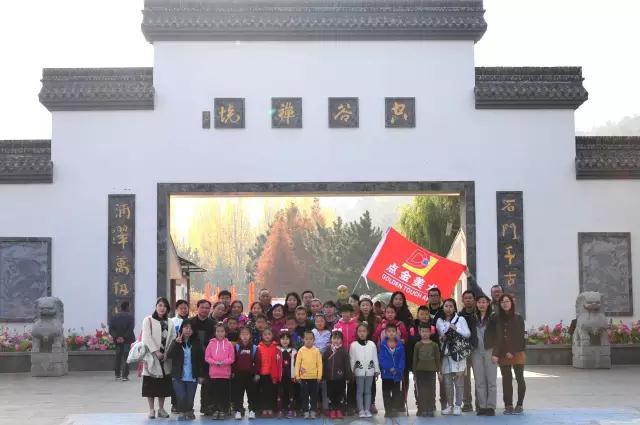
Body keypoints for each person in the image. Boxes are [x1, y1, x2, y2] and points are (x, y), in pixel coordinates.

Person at [141, 297, 176, 419]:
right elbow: (146, 337)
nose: (162, 308)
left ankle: (161, 408)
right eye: (160, 305)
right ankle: (151, 410)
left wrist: (167, 354)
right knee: (150, 384)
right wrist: (156, 352)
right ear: (156, 307)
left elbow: (173, 339)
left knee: (163, 386)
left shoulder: (170, 322)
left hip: (165, 358)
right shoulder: (148, 320)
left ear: (168, 309)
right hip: (152, 357)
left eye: (165, 306)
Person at [492, 294, 526, 415]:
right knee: (506, 380)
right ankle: (508, 405)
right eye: (502, 302)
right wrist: (497, 353)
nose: (505, 303)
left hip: (517, 352)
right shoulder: (497, 318)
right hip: (503, 354)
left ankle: (520, 404)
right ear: (500, 304)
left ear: (511, 302)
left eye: (507, 301)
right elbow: (497, 337)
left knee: (519, 378)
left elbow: (520, 336)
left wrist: (512, 351)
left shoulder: (518, 318)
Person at [437, 298, 471, 416]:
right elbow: (439, 336)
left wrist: (456, 328)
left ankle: (458, 405)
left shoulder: (460, 319)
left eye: (451, 306)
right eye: (446, 306)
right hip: (445, 354)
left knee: (459, 381)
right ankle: (450, 405)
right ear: (443, 307)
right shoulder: (439, 321)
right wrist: (442, 336)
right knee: (447, 382)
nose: (448, 308)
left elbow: (467, 334)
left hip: (458, 354)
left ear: (454, 308)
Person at [166, 320, 206, 421]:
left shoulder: (197, 343)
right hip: (178, 375)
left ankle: (189, 411)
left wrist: (201, 375)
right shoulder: (176, 341)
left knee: (190, 397)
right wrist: (176, 343)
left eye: (190, 328)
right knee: (181, 396)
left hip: (192, 375)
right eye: (186, 327)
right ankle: (182, 412)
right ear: (182, 329)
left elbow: (201, 360)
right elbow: (169, 355)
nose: (188, 330)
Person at [204, 322, 235, 419]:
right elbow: (207, 357)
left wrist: (223, 363)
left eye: (222, 331)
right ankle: (216, 410)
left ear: (225, 332)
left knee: (224, 393)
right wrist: (215, 362)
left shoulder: (229, 344)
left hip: (225, 374)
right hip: (214, 374)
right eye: (218, 331)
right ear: (215, 332)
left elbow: (231, 358)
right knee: (215, 393)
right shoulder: (211, 343)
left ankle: (223, 410)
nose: (220, 333)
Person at [473, 295, 497, 416]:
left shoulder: (493, 317)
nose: (481, 304)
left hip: (490, 350)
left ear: (488, 303)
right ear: (476, 304)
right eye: (479, 302)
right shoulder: (473, 318)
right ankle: (482, 406)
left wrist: (496, 353)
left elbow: (498, 336)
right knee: (479, 380)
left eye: (484, 302)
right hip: (476, 352)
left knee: (491, 380)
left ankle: (491, 407)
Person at [349, 323, 379, 418]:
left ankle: (367, 409)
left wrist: (376, 370)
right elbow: (352, 359)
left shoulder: (372, 344)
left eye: (364, 331)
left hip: (370, 372)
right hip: (359, 372)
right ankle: (361, 410)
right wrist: (352, 371)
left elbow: (375, 358)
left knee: (368, 392)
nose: (362, 333)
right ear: (357, 332)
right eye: (360, 331)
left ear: (367, 332)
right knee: (359, 391)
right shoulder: (353, 345)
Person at [189, 299, 214, 415]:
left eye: (207, 308)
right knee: (189, 383)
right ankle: (186, 408)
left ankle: (206, 407)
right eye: (202, 307)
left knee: (207, 383)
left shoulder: (213, 324)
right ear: (197, 308)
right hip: (191, 358)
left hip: (208, 358)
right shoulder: (189, 322)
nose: (204, 310)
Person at [334, 304, 359, 414]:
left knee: (352, 381)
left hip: (353, 356)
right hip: (341, 356)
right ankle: (342, 404)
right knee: (341, 381)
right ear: (340, 313)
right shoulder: (337, 325)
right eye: (343, 312)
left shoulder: (356, 325)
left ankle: (351, 405)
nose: (345, 314)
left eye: (348, 312)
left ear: (351, 313)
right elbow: (334, 340)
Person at [412, 322, 440, 418]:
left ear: (430, 332)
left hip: (431, 371)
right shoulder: (417, 345)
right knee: (422, 391)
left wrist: (439, 372)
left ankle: (430, 409)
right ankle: (423, 409)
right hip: (420, 371)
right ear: (419, 332)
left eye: (427, 331)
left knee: (431, 390)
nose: (425, 333)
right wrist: (414, 374)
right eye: (423, 331)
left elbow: (437, 359)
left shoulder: (434, 345)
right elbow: (415, 360)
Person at [378, 323, 405, 419]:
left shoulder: (400, 345)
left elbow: (402, 359)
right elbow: (381, 359)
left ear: (396, 333)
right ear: (386, 333)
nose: (391, 333)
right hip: (386, 374)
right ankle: (388, 410)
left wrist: (398, 369)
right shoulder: (383, 345)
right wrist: (389, 368)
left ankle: (394, 409)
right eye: (389, 331)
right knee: (386, 393)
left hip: (397, 375)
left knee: (396, 393)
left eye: (393, 331)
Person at [295, 331, 323, 419]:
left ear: (314, 340)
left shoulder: (316, 351)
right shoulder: (301, 350)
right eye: (306, 339)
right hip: (304, 378)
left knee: (314, 396)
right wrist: (297, 376)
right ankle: (305, 411)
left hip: (314, 378)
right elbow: (297, 364)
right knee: (304, 396)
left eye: (311, 339)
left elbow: (319, 364)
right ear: (303, 340)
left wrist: (319, 376)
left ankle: (313, 411)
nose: (308, 341)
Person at [323, 330, 351, 419]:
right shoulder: (327, 351)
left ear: (342, 340)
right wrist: (323, 375)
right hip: (330, 378)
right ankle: (332, 410)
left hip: (340, 378)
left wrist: (348, 375)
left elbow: (347, 364)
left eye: (338, 338)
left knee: (340, 394)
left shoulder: (344, 351)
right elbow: (323, 363)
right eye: (334, 338)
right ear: (331, 339)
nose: (336, 340)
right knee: (331, 394)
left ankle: (339, 410)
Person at [426, 287, 446, 410]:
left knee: (443, 377)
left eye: (436, 295)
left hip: (442, 349)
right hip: (428, 349)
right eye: (431, 295)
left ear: (439, 297)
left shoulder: (444, 311)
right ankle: (430, 403)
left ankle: (444, 402)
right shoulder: (424, 311)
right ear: (428, 297)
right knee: (429, 378)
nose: (433, 297)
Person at [232, 327, 257, 420]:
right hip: (239, 375)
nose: (245, 336)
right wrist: (233, 372)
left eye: (247, 334)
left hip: (250, 375)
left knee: (251, 394)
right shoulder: (236, 347)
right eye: (243, 334)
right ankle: (238, 411)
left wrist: (256, 373)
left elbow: (257, 362)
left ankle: (252, 410)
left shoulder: (254, 348)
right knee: (238, 393)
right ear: (239, 336)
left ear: (250, 336)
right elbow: (233, 361)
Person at [458, 289, 478, 412]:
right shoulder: (459, 316)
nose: (468, 300)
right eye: (466, 298)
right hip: (464, 351)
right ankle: (467, 403)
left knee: (479, 377)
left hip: (477, 350)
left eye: (470, 298)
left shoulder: (479, 314)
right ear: (463, 300)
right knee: (465, 379)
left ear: (474, 300)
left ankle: (480, 402)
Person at [108, 301, 135, 382]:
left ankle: (117, 375)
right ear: (127, 307)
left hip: (117, 341)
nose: (130, 308)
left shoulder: (114, 316)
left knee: (118, 357)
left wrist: (117, 337)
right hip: (127, 340)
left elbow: (111, 329)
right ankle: (125, 376)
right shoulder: (130, 317)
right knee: (127, 357)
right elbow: (130, 329)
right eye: (129, 307)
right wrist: (124, 337)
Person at [255, 328, 279, 417]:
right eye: (265, 334)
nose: (267, 336)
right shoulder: (259, 347)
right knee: (263, 392)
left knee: (272, 392)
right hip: (263, 373)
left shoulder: (276, 347)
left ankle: (271, 408)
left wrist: (276, 375)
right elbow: (257, 361)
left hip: (273, 374)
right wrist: (257, 373)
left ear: (272, 335)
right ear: (262, 336)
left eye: (269, 334)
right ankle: (264, 408)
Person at [274, 331, 297, 418]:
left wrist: (296, 375)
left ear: (290, 340)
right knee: (280, 393)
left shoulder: (294, 351)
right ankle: (280, 410)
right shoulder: (277, 351)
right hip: (280, 377)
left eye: (287, 339)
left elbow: (297, 364)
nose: (285, 341)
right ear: (279, 340)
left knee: (291, 393)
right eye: (283, 339)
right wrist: (275, 376)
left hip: (291, 377)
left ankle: (291, 410)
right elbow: (274, 364)